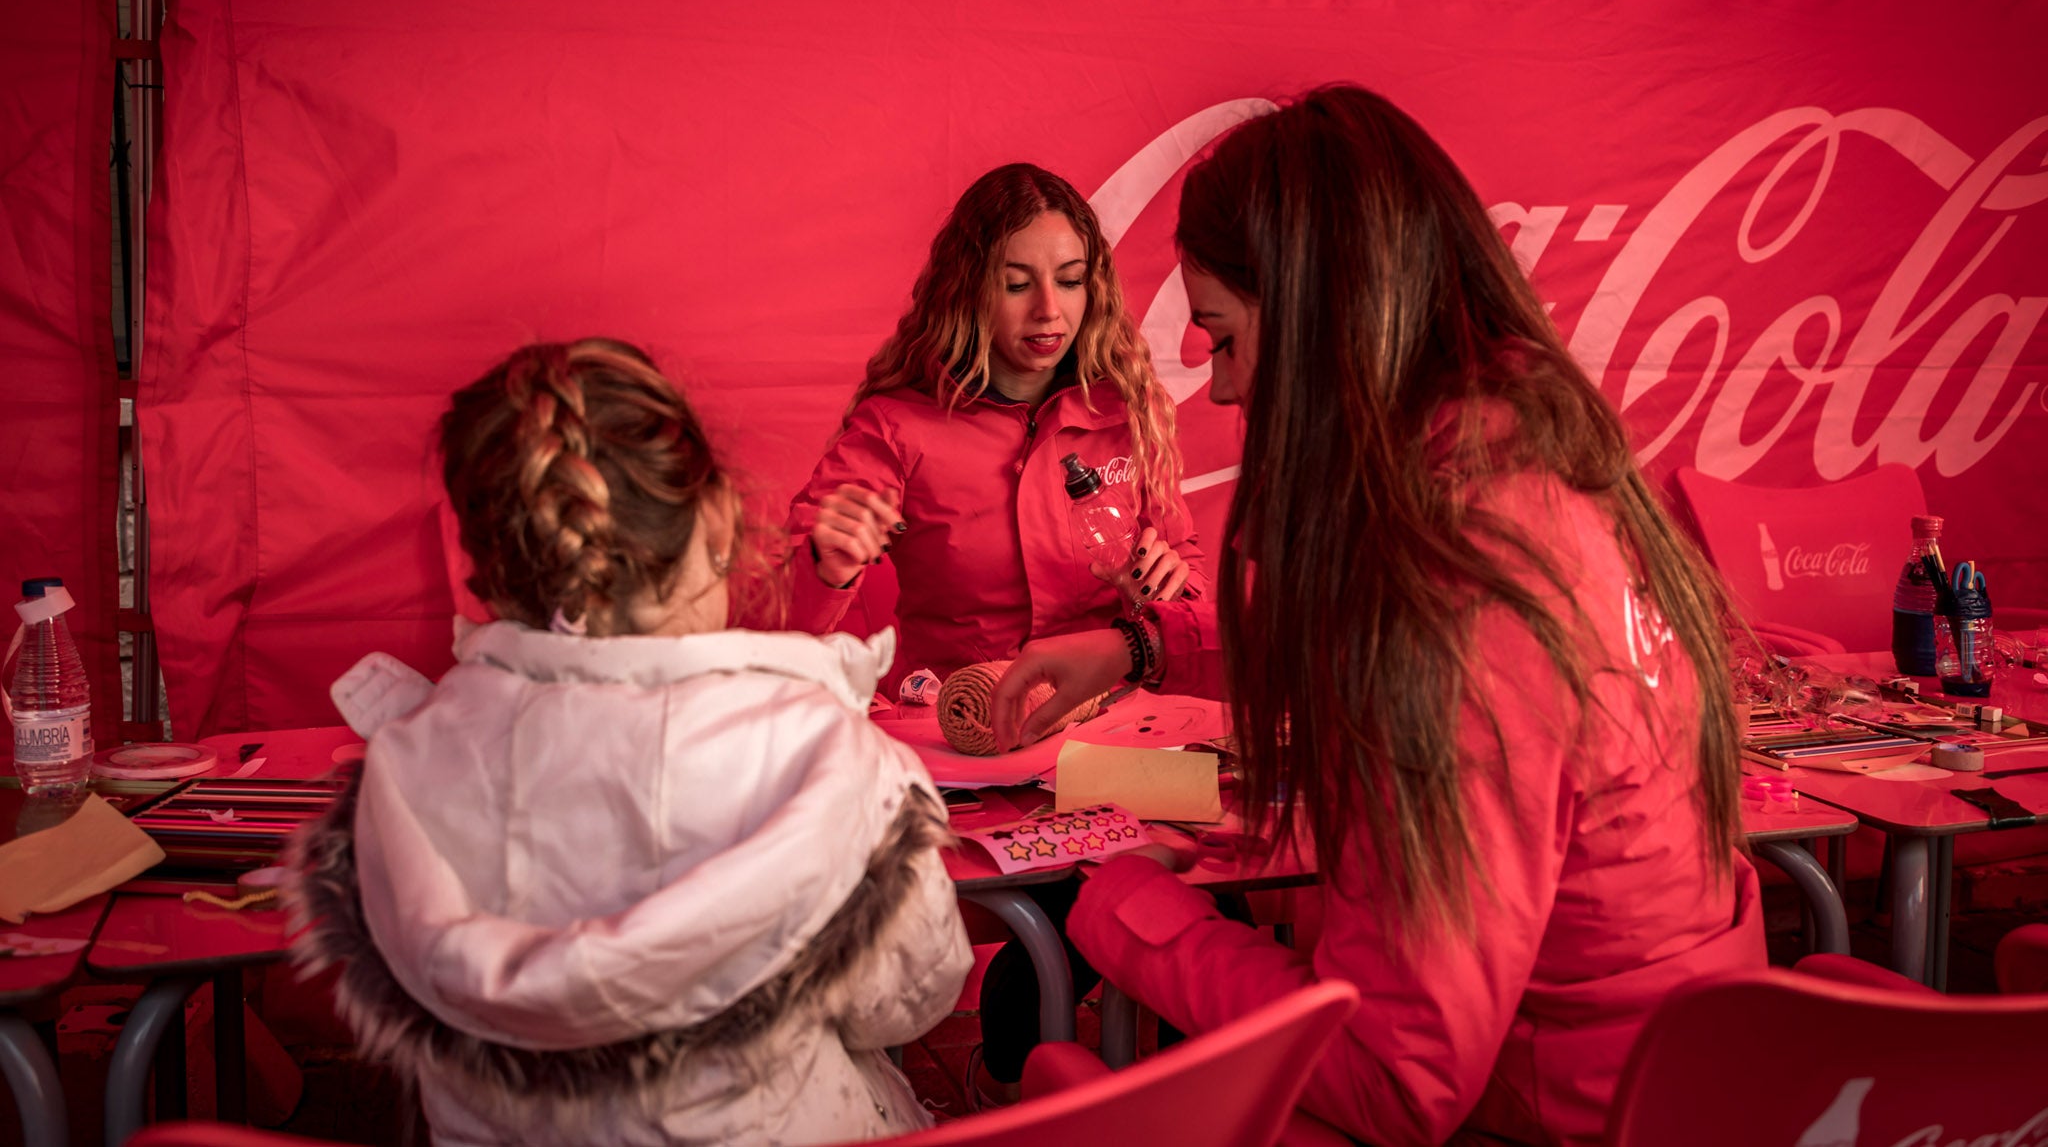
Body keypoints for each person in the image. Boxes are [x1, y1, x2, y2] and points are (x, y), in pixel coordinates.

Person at [991, 87, 1764, 1146]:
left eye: (1222, 340)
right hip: (1674, 1082)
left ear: (1320, 328)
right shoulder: (1528, 462)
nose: (1218, 392)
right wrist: (1133, 646)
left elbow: (1394, 1084)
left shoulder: (1454, 583)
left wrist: (1126, 911)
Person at [288, 338, 971, 1147]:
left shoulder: (403, 765)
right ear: (717, 518)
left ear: (480, 567)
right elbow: (914, 995)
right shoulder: (828, 756)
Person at [785, 161, 1209, 697]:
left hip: (1110, 725)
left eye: (1071, 280)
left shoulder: (1127, 408)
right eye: (1016, 285)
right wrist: (827, 565)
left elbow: (1186, 578)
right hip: (956, 731)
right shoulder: (896, 428)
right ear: (968, 289)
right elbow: (776, 629)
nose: (1049, 309)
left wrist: (1173, 589)